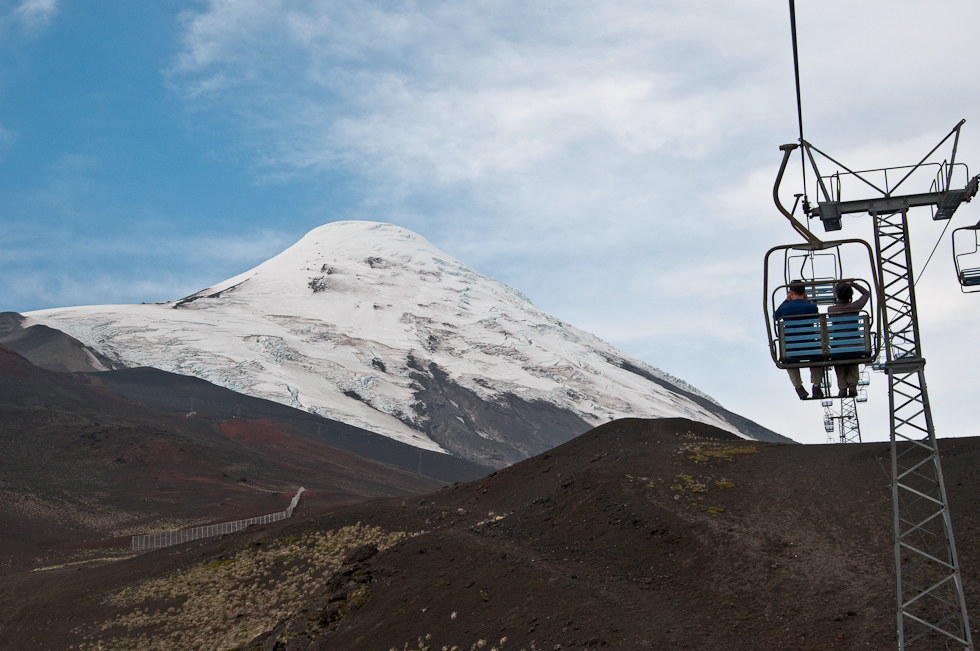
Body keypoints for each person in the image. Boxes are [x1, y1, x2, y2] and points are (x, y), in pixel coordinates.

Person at [774, 282, 823, 400]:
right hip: (811, 348)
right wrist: (807, 301)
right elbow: (815, 315)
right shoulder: (811, 307)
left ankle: (798, 386)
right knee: (819, 356)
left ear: (791, 293)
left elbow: (776, 316)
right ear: (804, 293)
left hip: (792, 349)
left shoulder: (784, 308)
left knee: (787, 359)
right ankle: (816, 386)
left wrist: (786, 301)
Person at [828, 280, 870, 397]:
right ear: (850, 295)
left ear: (837, 295)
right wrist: (853, 284)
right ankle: (852, 384)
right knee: (853, 360)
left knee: (840, 362)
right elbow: (866, 294)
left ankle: (842, 387)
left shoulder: (831, 310)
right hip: (855, 346)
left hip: (838, 348)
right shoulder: (855, 307)